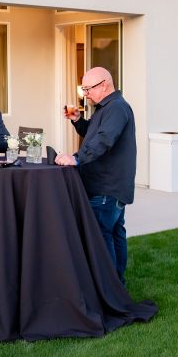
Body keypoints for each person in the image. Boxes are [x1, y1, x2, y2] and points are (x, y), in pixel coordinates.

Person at [56, 67, 136, 283]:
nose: (85, 94)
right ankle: (117, 283)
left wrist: (77, 158)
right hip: (111, 186)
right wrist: (77, 120)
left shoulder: (117, 108)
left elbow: (103, 140)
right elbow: (92, 132)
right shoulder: (106, 108)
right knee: (115, 233)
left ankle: (109, 287)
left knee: (102, 237)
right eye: (83, 89)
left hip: (106, 187)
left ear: (104, 85)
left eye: (87, 89)